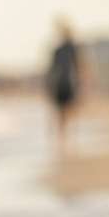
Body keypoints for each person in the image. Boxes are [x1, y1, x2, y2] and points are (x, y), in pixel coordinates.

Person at [46, 20, 84, 153]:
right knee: (64, 111)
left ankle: (64, 139)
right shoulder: (62, 49)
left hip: (63, 83)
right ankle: (64, 139)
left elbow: (78, 65)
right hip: (64, 83)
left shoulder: (68, 48)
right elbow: (79, 65)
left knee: (64, 111)